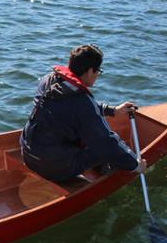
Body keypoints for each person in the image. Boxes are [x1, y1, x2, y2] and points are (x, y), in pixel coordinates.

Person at [20, 44, 147, 182]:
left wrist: (112, 111)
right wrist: (135, 165)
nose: (98, 74)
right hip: (52, 169)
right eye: (98, 70)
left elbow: (75, 110)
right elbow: (106, 141)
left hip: (27, 155)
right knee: (106, 146)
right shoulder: (82, 102)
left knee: (86, 134)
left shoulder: (49, 80)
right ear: (90, 71)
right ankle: (106, 173)